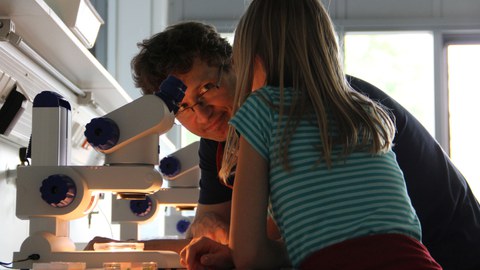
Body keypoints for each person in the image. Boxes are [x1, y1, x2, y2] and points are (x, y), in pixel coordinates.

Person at [86, 20, 480, 270]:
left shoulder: (321, 102)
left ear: (238, 64)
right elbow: (205, 240)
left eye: (208, 87)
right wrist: (123, 249)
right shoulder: (221, 140)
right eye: (184, 107)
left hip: (452, 246)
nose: (202, 113)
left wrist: (233, 239)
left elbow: (262, 245)